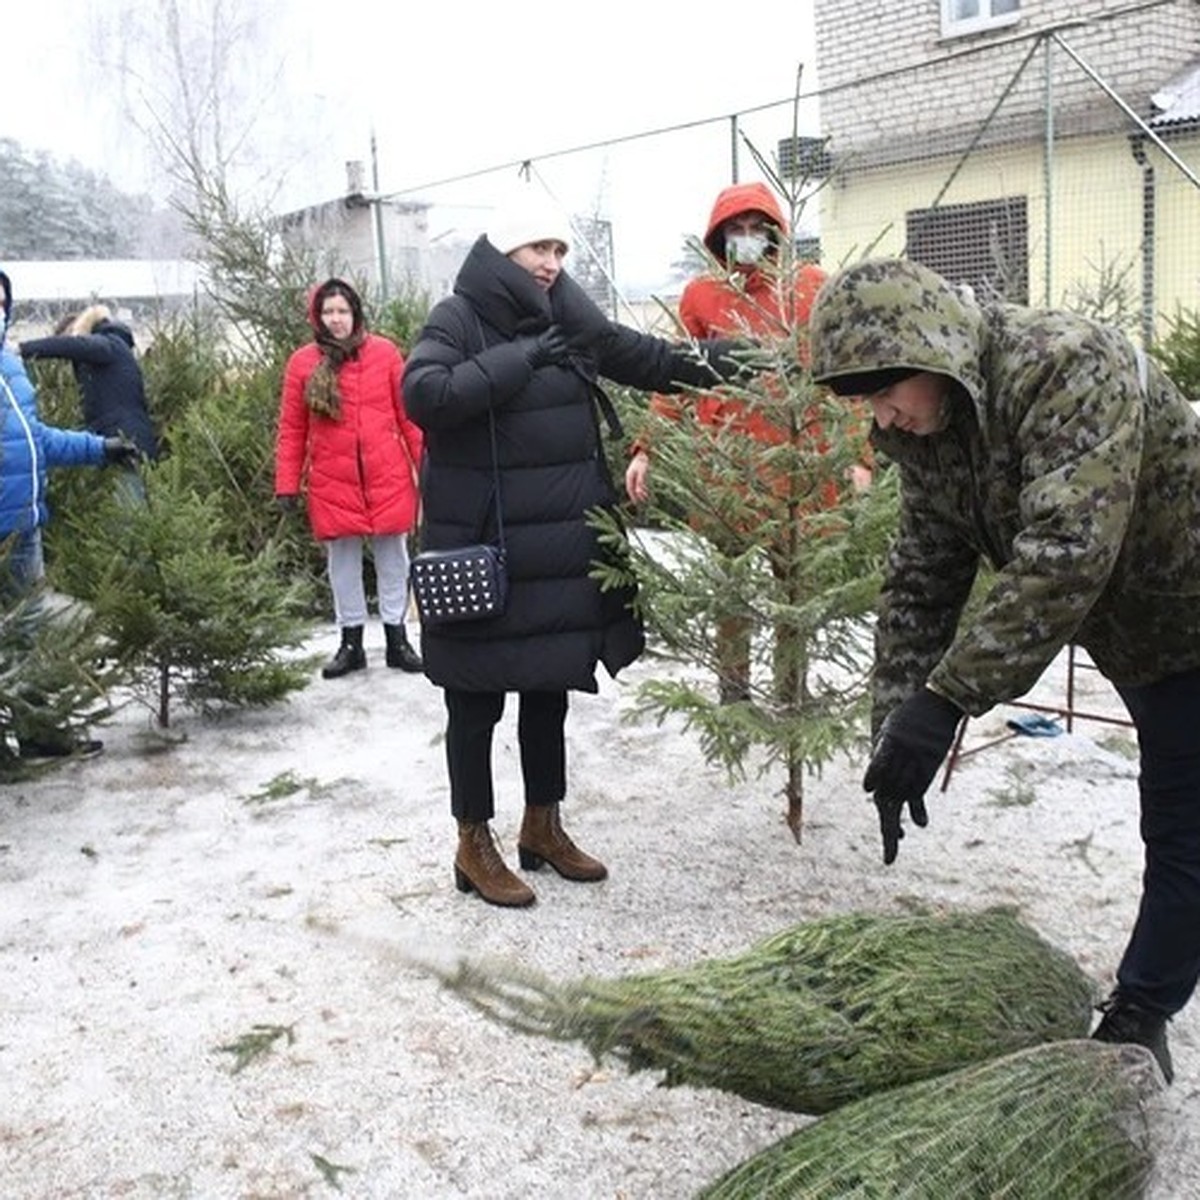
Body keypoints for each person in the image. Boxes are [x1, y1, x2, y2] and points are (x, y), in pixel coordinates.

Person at [807, 255, 1200, 1084]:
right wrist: (896, 724)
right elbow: (923, 575)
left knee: (1182, 822)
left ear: (937, 352)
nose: (881, 416)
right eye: (865, 401)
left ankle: (1141, 1011)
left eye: (886, 392)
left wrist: (948, 700)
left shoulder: (1066, 367)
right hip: (1131, 627)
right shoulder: (931, 427)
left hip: (1190, 620)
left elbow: (1063, 554)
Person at [401, 194, 746, 908]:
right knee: (475, 704)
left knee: (547, 690)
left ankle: (542, 827)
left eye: (560, 251)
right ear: (506, 254)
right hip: (484, 548)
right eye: (539, 250)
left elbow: (654, 361)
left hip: (554, 547)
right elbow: (426, 394)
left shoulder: (571, 319)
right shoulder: (458, 318)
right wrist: (522, 358)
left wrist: (756, 362)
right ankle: (472, 842)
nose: (552, 264)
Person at [625, 181, 841, 703]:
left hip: (797, 466)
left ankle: (792, 693)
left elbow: (841, 375)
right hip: (729, 469)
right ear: (719, 241)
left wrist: (855, 455)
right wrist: (645, 447)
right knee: (732, 590)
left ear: (775, 235)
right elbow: (679, 374)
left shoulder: (810, 287)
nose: (746, 240)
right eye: (735, 231)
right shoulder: (703, 296)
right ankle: (734, 692)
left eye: (755, 229)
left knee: (795, 589)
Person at [0, 268, 139, 759]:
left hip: (22, 525)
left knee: (30, 633)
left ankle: (40, 735)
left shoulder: (9, 368)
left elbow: (35, 441)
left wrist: (99, 448)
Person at [275, 278, 425, 679]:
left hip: (386, 473)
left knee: (394, 557)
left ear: (355, 313)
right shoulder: (303, 364)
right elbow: (292, 428)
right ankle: (351, 642)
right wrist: (287, 482)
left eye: (342, 311)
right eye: (328, 312)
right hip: (332, 479)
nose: (336, 319)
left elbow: (408, 416)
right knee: (342, 563)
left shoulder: (385, 354)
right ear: (317, 317)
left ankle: (398, 638)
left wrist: (427, 466)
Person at [19, 304, 159, 462]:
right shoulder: (108, 353)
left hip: (125, 441)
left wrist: (21, 349)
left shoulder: (108, 343)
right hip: (118, 441)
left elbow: (72, 346)